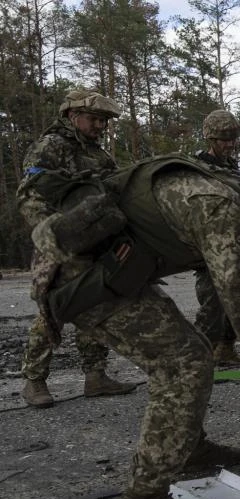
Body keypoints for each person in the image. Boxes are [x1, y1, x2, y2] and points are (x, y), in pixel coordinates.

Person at [26, 156, 240, 499]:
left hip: (113, 265)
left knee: (194, 349)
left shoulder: (234, 194)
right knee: (183, 364)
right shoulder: (224, 208)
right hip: (80, 276)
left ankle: (186, 446)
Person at [17, 89, 137, 408]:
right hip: (58, 244)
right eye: (95, 119)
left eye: (104, 121)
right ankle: (34, 381)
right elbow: (29, 196)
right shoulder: (51, 146)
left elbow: (115, 195)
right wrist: (54, 234)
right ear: (73, 116)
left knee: (94, 305)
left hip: (94, 244)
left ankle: (95, 376)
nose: (100, 126)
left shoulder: (99, 155)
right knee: (53, 308)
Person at [192, 109, 240, 367]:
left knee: (236, 302)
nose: (230, 144)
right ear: (211, 139)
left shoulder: (232, 167)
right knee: (211, 304)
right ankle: (197, 357)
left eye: (233, 139)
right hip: (208, 247)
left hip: (234, 244)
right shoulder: (197, 168)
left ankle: (225, 349)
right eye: (224, 139)